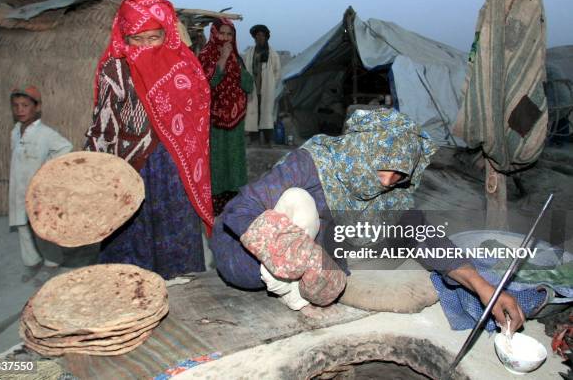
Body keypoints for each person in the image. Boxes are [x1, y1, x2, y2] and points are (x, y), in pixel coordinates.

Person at [210, 108, 526, 330]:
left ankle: (296, 286)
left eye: (399, 174)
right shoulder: (313, 161)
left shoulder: (392, 192)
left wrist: (482, 286)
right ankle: (291, 293)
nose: (387, 182)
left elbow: (426, 238)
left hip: (299, 271)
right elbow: (241, 210)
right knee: (300, 201)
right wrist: (302, 255)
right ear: (364, 149)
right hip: (241, 258)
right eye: (383, 167)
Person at [85, 0, 213, 280]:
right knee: (130, 233)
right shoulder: (114, 68)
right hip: (131, 165)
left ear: (167, 33)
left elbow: (196, 114)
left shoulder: (183, 65)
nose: (144, 46)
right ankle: (134, 295)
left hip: (174, 165)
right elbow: (104, 123)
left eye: (152, 38)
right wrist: (94, 170)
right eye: (136, 39)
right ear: (123, 37)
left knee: (176, 232)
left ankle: (182, 293)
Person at [9, 85, 72, 274]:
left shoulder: (45, 133)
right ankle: (32, 262)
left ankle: (52, 263)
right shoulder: (15, 132)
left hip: (37, 189)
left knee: (41, 227)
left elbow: (66, 147)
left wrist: (46, 167)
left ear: (37, 108)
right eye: (16, 106)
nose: (20, 110)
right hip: (18, 187)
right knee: (22, 225)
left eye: (25, 105)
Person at [198, 19, 253, 215]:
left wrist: (235, 65)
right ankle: (214, 205)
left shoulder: (237, 59)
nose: (226, 38)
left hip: (235, 121)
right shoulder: (204, 56)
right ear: (214, 33)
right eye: (223, 33)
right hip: (214, 120)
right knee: (217, 161)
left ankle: (236, 203)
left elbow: (248, 85)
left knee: (235, 160)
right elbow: (206, 85)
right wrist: (222, 60)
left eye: (230, 34)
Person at [244, 24, 281, 146]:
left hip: (266, 89)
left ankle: (268, 140)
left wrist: (271, 84)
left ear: (266, 37)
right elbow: (245, 70)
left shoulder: (272, 54)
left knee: (266, 114)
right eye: (257, 35)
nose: (259, 37)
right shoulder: (249, 53)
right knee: (254, 114)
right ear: (254, 37)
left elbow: (277, 72)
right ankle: (254, 139)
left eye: (262, 35)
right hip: (253, 88)